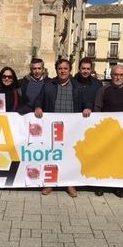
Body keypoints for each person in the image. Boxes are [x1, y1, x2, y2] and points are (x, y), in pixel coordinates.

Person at [34, 58, 92, 197]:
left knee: (70, 157)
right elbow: (38, 100)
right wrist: (37, 107)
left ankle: (70, 184)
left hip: (71, 130)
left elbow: (86, 102)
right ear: (56, 70)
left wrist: (88, 108)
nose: (63, 71)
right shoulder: (48, 85)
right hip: (52, 129)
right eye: (60, 68)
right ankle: (50, 183)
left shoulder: (77, 86)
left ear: (70, 70)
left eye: (65, 68)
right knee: (52, 156)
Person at [94, 64, 123, 198]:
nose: (118, 77)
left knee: (119, 159)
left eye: (121, 75)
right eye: (115, 75)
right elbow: (97, 108)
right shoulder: (103, 90)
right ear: (111, 76)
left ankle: (118, 186)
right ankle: (101, 185)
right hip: (105, 131)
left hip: (121, 133)